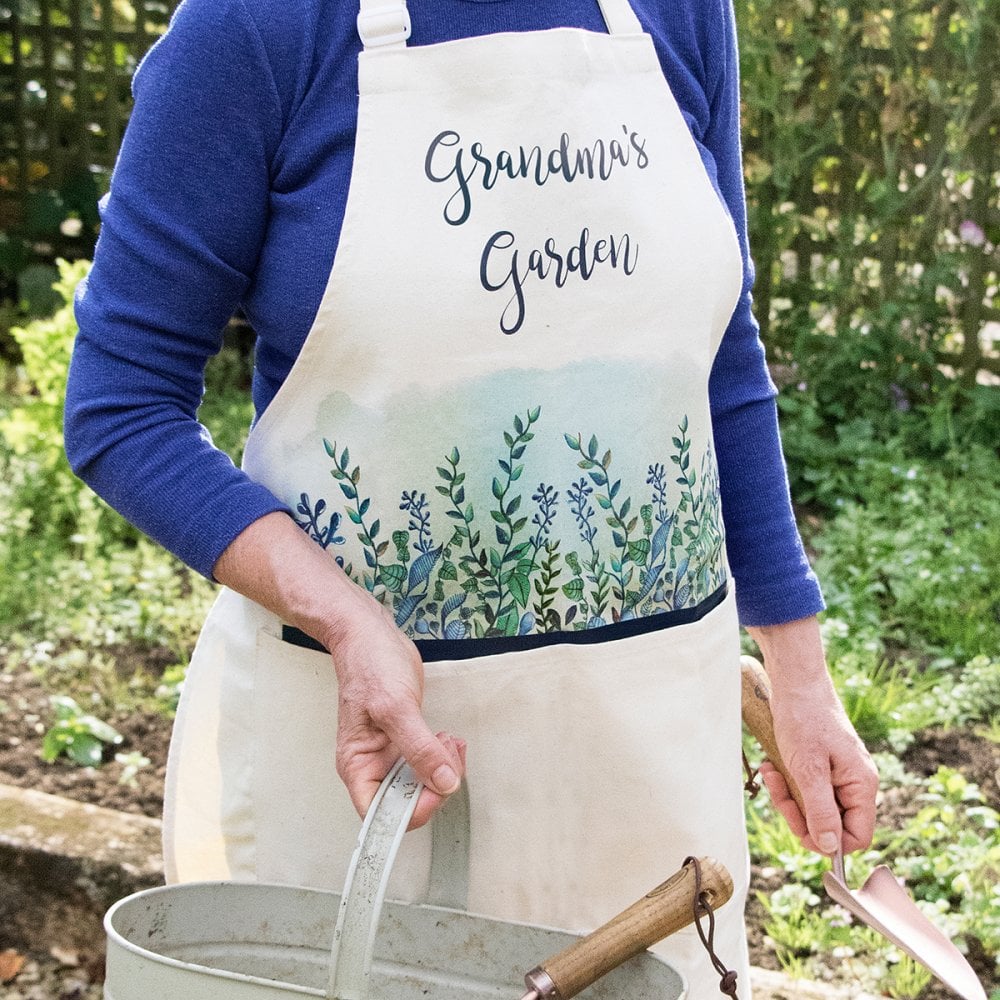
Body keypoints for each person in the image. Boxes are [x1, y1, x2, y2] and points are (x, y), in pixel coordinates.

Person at [64, 0, 879, 995]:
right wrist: (347, 618)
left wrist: (798, 674)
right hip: (373, 760)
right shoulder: (255, 33)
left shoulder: (679, 12)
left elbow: (716, 353)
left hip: (644, 749)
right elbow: (123, 407)